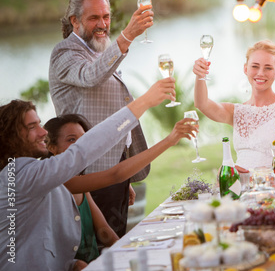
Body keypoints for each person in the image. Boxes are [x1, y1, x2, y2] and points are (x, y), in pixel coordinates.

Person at [0, 79, 175, 271]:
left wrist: (71, 264)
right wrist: (144, 102)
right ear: (11, 135)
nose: (43, 132)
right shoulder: (19, 175)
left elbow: (34, 240)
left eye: (39, 124)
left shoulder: (36, 175)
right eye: (32, 127)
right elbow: (86, 151)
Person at [48, 0, 154, 237]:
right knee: (97, 249)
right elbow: (90, 76)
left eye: (106, 16)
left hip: (114, 168)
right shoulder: (64, 52)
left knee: (116, 241)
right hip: (89, 171)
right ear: (75, 21)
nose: (103, 24)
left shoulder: (98, 49)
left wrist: (123, 170)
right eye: (94, 17)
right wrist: (127, 36)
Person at [43, 113, 195, 264]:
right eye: (71, 139)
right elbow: (115, 175)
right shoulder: (58, 183)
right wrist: (169, 140)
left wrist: (130, 255)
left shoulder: (83, 185)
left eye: (84, 139)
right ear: (51, 147)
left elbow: (104, 233)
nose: (80, 145)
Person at [193, 39, 275, 170]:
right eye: (255, 66)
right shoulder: (236, 111)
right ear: (245, 69)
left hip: (271, 187)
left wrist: (252, 178)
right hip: (238, 186)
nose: (260, 73)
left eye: (268, 68)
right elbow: (201, 103)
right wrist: (200, 75)